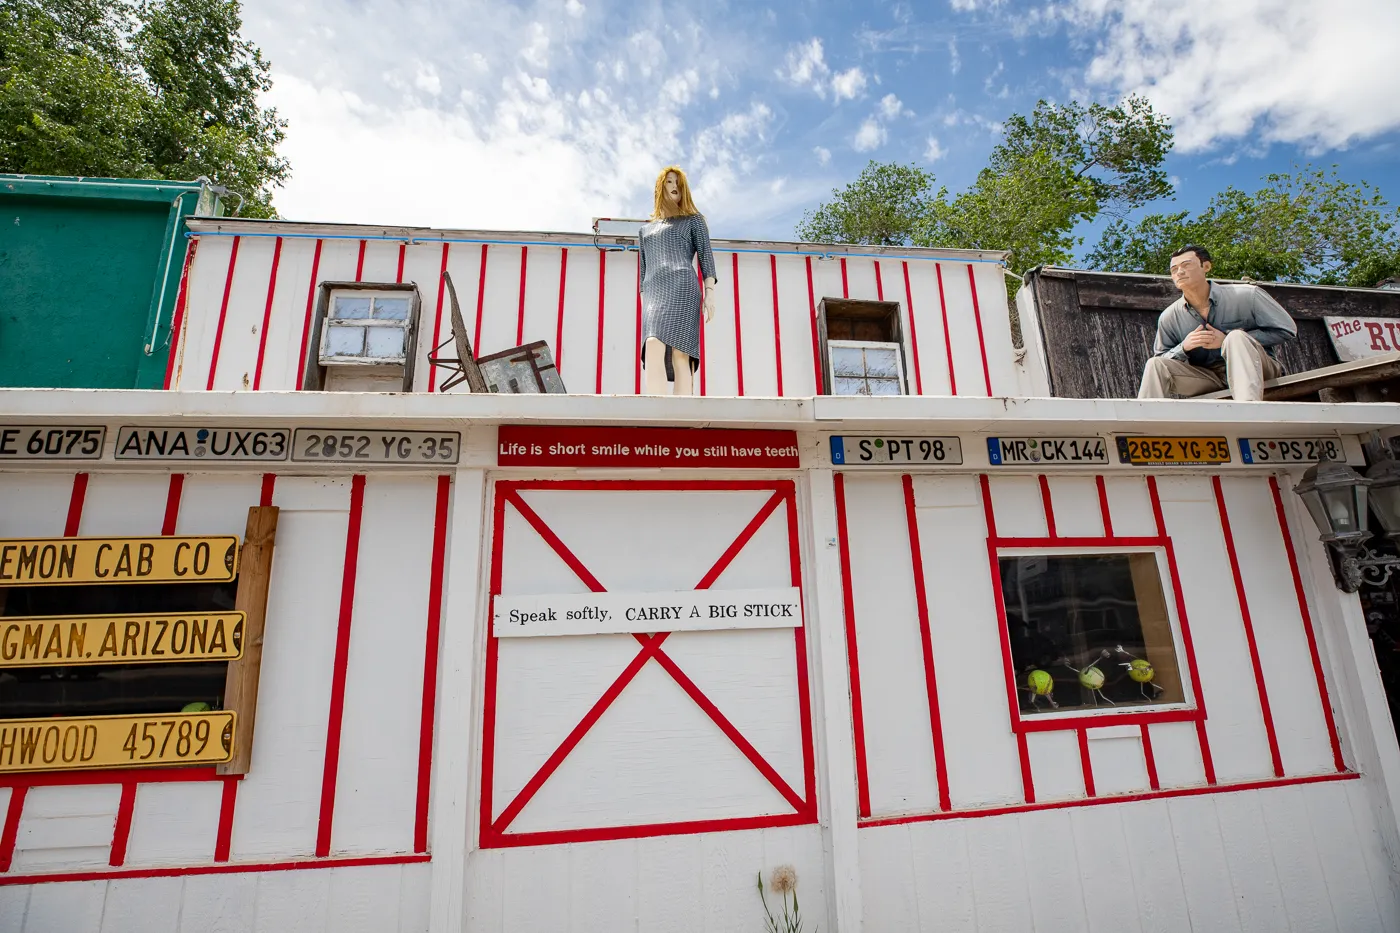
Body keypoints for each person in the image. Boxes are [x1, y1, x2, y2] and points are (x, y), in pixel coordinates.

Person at [1138, 245, 1297, 401]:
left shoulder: (1247, 295)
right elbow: (1161, 356)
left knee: (1235, 337)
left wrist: (1227, 340)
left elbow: (1287, 329)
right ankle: (1142, 425)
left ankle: (1248, 411)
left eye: (1186, 265)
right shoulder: (1169, 316)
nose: (1179, 272)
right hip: (1210, 378)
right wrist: (1184, 347)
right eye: (1174, 269)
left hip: (1260, 370)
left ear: (1205, 266)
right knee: (1155, 364)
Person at [638, 165, 717, 396]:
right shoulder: (644, 231)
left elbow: (706, 256)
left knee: (680, 353)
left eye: (678, 184)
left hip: (683, 285)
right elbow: (643, 271)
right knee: (652, 343)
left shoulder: (693, 220)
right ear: (660, 187)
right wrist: (644, 301)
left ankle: (681, 411)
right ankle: (656, 409)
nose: (674, 187)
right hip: (654, 290)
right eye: (670, 182)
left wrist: (709, 292)